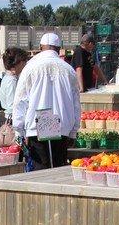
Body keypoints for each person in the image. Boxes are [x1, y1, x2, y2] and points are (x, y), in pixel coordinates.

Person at [12, 33, 81, 170]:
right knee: (59, 168)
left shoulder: (30, 68)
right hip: (62, 125)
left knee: (39, 171)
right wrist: (73, 131)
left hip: (36, 126)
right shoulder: (68, 69)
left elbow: (20, 101)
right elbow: (76, 104)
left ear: (40, 47)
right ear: (58, 48)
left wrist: (19, 130)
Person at [0, 47, 31, 123]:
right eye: (24, 62)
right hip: (14, 119)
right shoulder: (11, 80)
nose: (25, 64)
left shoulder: (8, 78)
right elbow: (12, 105)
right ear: (18, 63)